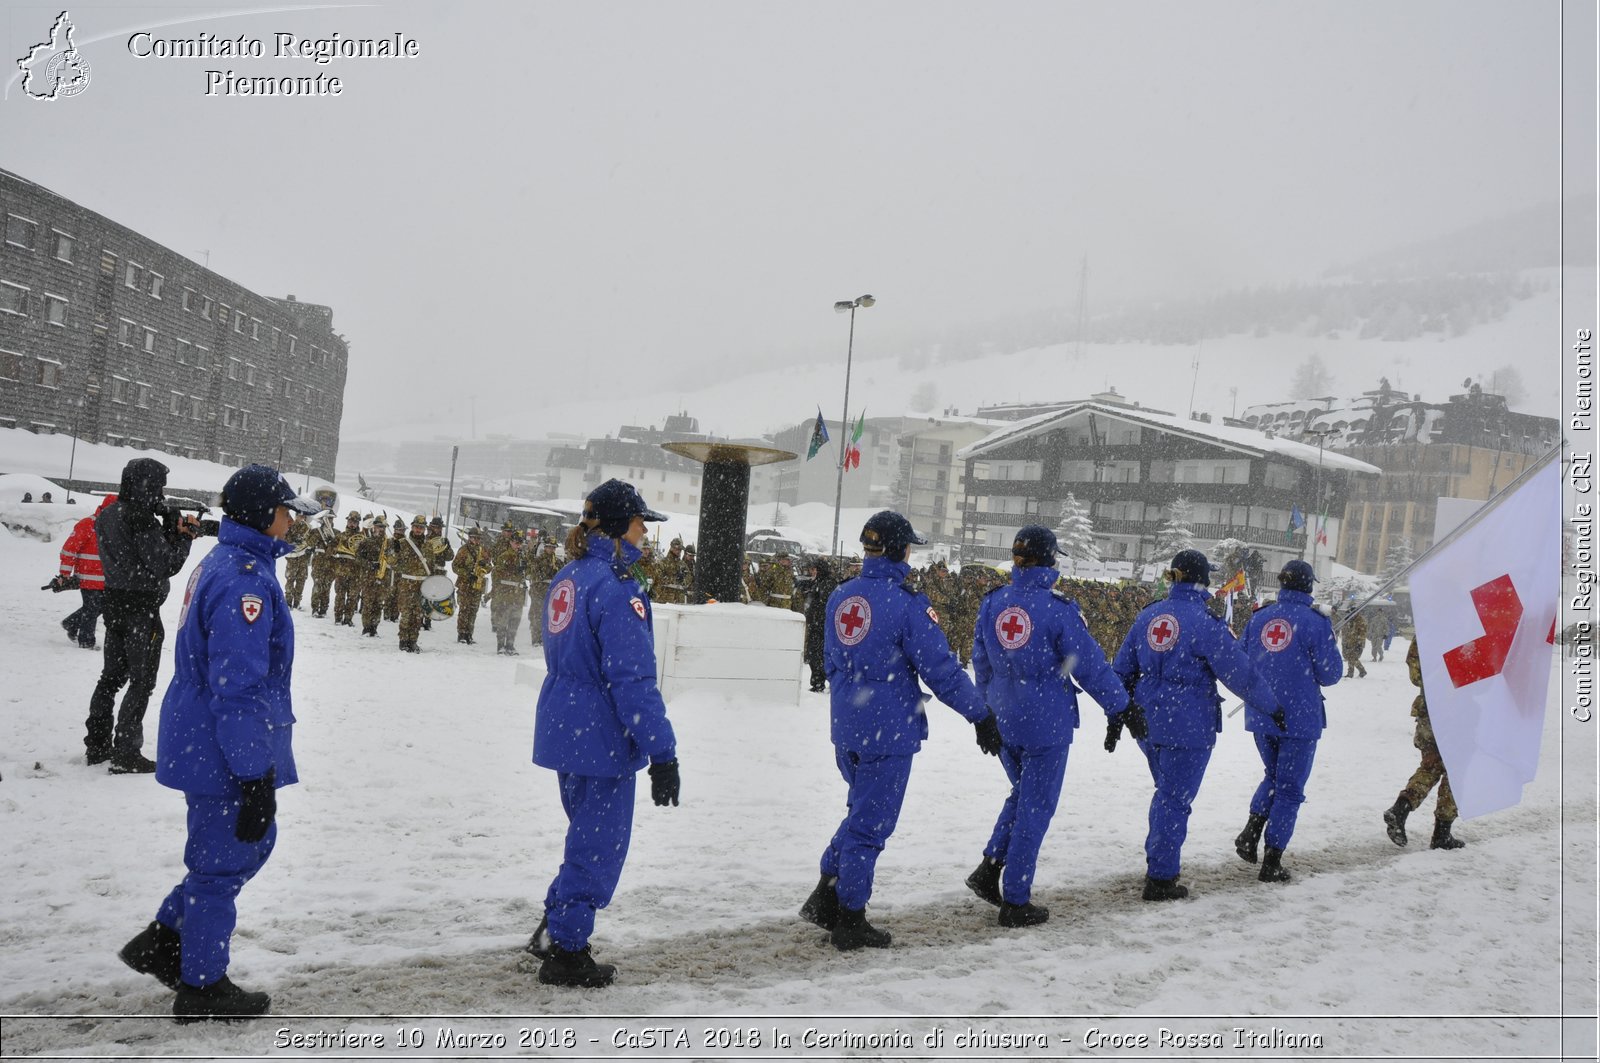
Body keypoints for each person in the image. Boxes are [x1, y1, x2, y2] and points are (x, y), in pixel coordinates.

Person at [117, 464, 318, 1021]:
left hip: (207, 733)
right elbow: (239, 687)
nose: (291, 521)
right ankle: (202, 985)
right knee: (221, 866)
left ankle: (165, 938)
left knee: (241, 848)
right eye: (285, 511)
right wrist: (254, 774)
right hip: (222, 740)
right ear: (262, 514)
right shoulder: (245, 579)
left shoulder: (231, 561)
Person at [799, 511, 998, 950]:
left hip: (847, 725)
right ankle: (850, 916)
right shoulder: (907, 604)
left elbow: (830, 659)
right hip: (887, 730)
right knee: (871, 824)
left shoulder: (840, 596)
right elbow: (942, 672)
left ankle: (825, 893)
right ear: (900, 550)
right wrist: (979, 715)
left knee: (860, 811)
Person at [524, 480, 679, 988]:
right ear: (617, 529)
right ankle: (566, 951)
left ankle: (553, 927)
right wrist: (663, 753)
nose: (646, 534)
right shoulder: (618, 588)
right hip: (603, 734)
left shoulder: (570, 576)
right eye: (640, 524)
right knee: (599, 845)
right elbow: (632, 681)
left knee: (583, 834)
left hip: (566, 724)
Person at [968, 526, 1131, 927]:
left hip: (1002, 714)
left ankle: (990, 868)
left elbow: (981, 662)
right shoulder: (1059, 609)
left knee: (1023, 795)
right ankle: (1016, 899)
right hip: (1044, 720)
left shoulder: (993, 603)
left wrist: (984, 711)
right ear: (1050, 559)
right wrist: (1120, 706)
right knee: (1035, 808)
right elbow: (1089, 666)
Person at [1112, 549, 1279, 901]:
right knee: (1174, 799)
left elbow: (1122, 668)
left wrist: (1119, 714)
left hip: (1147, 720)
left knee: (1166, 794)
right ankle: (1160, 877)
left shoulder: (1149, 616)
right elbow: (1241, 674)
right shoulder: (1205, 622)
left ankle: (1160, 863)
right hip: (1186, 722)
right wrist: (1271, 706)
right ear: (1202, 580)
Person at [84, 459, 199, 773]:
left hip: (115, 603)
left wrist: (166, 531)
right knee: (141, 682)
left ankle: (96, 745)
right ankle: (125, 753)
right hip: (140, 610)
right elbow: (164, 565)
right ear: (147, 484)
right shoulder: (139, 518)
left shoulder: (108, 514)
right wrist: (185, 538)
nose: (160, 492)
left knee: (109, 680)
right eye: (158, 485)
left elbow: (133, 554)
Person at [1234, 560, 1342, 883]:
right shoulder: (1316, 623)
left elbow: (1241, 660)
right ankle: (1273, 859)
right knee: (1290, 788)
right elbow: (1331, 673)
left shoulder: (1259, 618)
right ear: (1309, 586)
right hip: (1299, 717)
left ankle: (1251, 831)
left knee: (1273, 775)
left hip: (1261, 713)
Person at [1382, 638, 1467, 851]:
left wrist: (1437, 683)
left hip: (1429, 710)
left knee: (1431, 766)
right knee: (1457, 771)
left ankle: (1401, 808)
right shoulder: (1468, 626)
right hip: (1462, 711)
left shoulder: (1428, 624)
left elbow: (1416, 673)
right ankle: (1442, 833)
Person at [59, 493, 116, 649]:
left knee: (100, 607)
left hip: (106, 579)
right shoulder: (88, 524)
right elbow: (69, 550)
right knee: (92, 609)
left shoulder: (115, 527)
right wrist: (64, 575)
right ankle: (86, 642)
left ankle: (71, 623)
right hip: (87, 577)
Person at [799, 556, 837, 693]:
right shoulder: (818, 582)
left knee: (821, 655)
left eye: (814, 569)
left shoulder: (828, 583)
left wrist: (815, 604)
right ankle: (817, 682)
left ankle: (826, 682)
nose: (812, 572)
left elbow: (825, 604)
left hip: (823, 625)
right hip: (815, 625)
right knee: (813, 654)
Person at [489, 522, 528, 655]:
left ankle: (510, 645)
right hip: (505, 594)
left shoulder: (523, 557)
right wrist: (512, 571)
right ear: (511, 542)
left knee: (514, 621)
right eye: (516, 542)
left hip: (518, 595)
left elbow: (527, 573)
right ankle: (500, 645)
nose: (518, 545)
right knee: (502, 621)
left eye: (520, 542)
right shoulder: (504, 556)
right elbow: (496, 574)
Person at [451, 526, 491, 645]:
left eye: (479, 538)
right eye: (474, 538)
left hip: (477, 586)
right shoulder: (463, 550)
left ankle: (469, 634)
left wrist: (485, 566)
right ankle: (461, 634)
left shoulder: (483, 551)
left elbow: (490, 567)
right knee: (464, 610)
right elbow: (455, 567)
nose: (477, 541)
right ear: (470, 538)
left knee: (473, 610)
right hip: (465, 585)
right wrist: (467, 574)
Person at [1340, 601, 1369, 678]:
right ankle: (1356, 672)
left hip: (1357, 643)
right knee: (1350, 658)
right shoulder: (1351, 620)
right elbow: (1347, 631)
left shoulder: (1360, 621)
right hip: (1350, 642)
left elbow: (1362, 633)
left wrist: (1359, 643)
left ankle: (1358, 671)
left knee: (1353, 658)